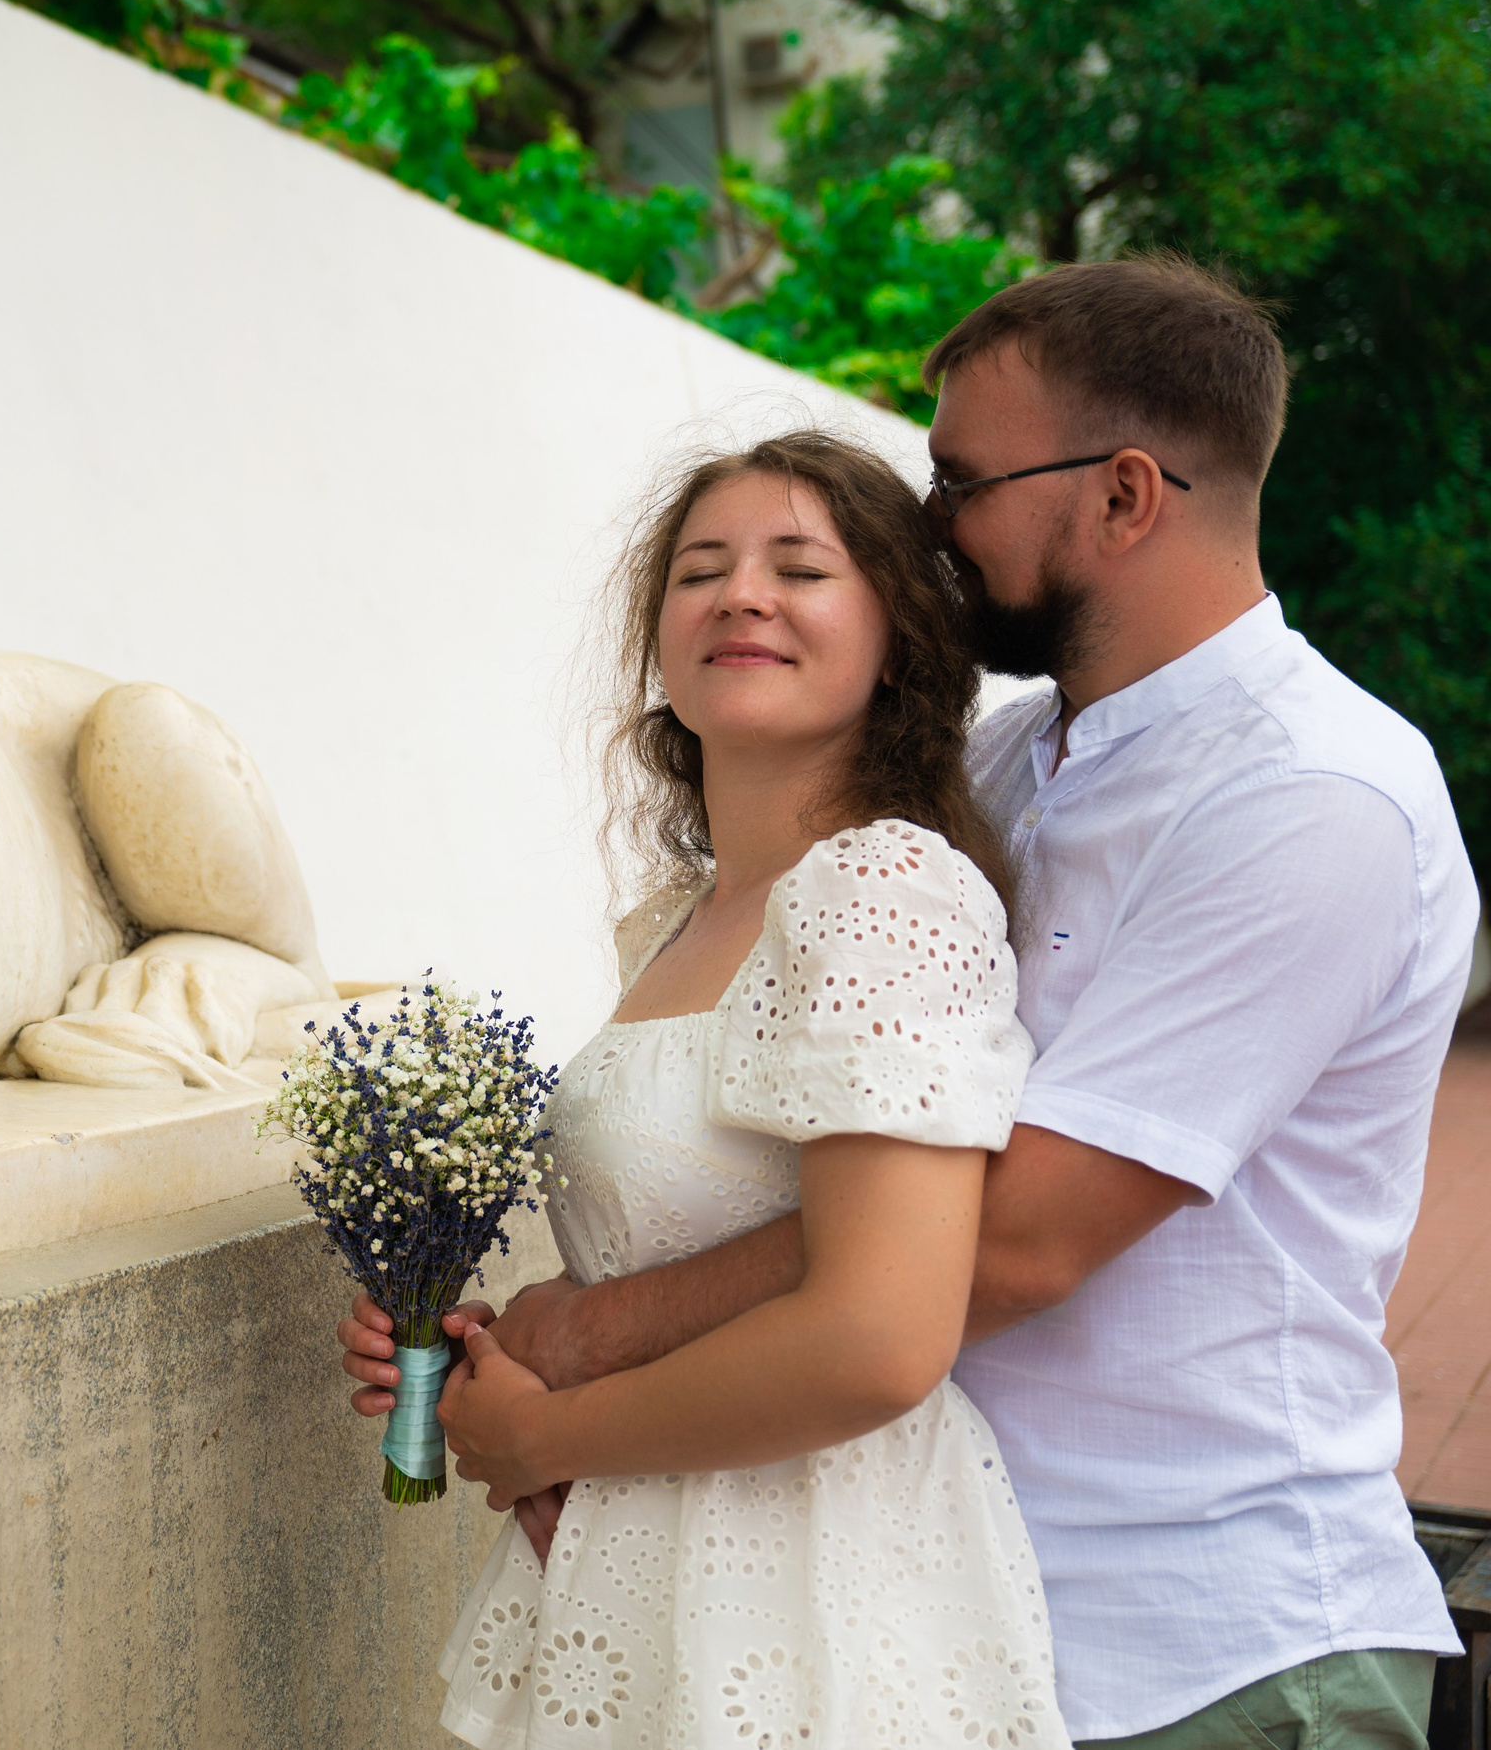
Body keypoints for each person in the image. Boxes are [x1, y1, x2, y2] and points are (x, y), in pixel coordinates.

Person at [347, 258, 1478, 1749]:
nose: (929, 524)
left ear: (1125, 494)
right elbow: (786, 1166)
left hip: (1207, 1640)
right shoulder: (1005, 770)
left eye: (960, 481)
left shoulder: (1312, 797)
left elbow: (1004, 1239)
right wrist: (536, 1347)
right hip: (933, 1603)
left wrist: (578, 1353)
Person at [406, 427, 1072, 1747]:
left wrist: (554, 1435)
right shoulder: (682, 917)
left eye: (800, 568)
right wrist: (480, 1350)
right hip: (633, 1568)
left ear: (899, 637)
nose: (743, 594)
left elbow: (881, 1335)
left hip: (800, 1587)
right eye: (702, 568)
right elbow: (685, 1244)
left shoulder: (882, 888)